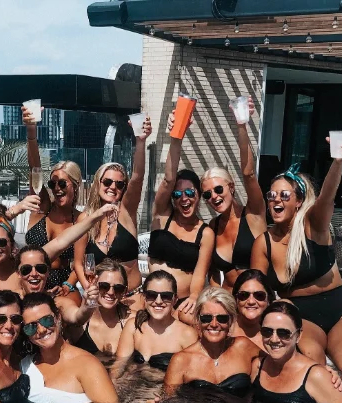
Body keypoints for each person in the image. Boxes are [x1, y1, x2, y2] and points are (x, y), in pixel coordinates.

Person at [250, 137, 342, 383]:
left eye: (285, 195)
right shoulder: (263, 242)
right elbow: (256, 290)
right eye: (272, 195)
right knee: (313, 370)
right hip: (300, 314)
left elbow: (327, 196)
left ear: (298, 202)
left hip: (340, 308)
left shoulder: (313, 226)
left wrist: (338, 163)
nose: (276, 200)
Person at [155, 287, 261, 403]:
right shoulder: (182, 360)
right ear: (197, 320)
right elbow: (169, 400)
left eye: (222, 318)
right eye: (206, 318)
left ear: (231, 321)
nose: (214, 324)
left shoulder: (244, 347)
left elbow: (274, 367)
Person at [0, 203, 117, 306]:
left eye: (1, 242)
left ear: (11, 243)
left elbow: (62, 241)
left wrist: (95, 216)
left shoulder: (24, 265)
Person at [251, 301, 342, 403]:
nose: (274, 339)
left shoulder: (315, 375)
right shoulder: (258, 366)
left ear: (298, 336)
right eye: (267, 331)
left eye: (283, 333)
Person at [148, 111, 214, 325]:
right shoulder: (162, 215)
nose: (183, 198)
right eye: (177, 194)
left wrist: (194, 297)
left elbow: (199, 274)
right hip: (151, 298)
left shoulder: (206, 233)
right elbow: (168, 179)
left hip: (183, 302)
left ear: (199, 196)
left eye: (190, 193)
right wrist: (176, 136)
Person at [73, 117, 152, 297]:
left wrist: (141, 142)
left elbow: (138, 176)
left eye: (119, 184)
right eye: (107, 181)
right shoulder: (86, 219)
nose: (113, 187)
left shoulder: (126, 212)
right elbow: (78, 263)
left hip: (131, 297)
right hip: (100, 300)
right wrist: (90, 292)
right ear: (98, 183)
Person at [204, 97, 267, 290]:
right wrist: (215, 296)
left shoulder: (254, 215)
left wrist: (242, 125)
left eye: (218, 189)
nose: (214, 196)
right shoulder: (213, 226)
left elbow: (248, 174)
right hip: (226, 304)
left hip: (254, 302)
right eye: (207, 195)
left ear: (231, 187)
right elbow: (213, 271)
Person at [23, 105, 83, 293]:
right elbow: (35, 170)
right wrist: (31, 133)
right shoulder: (43, 207)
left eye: (63, 184)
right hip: (31, 283)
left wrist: (67, 285)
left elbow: (83, 260)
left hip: (63, 286)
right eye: (53, 184)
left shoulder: (81, 220)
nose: (57, 188)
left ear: (76, 185)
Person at [113, 270, 198, 379]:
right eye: (152, 295)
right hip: (133, 389)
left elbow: (192, 377)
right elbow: (118, 366)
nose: (158, 301)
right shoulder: (133, 326)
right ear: (144, 297)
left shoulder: (187, 335)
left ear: (175, 299)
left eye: (166, 296)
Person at [68, 259, 133, 363]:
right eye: (104, 286)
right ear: (93, 284)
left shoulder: (131, 322)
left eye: (118, 288)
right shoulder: (78, 325)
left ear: (124, 292)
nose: (111, 292)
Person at [230, 269, 276, 350]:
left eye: (259, 295)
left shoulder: (278, 336)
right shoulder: (223, 331)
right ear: (235, 299)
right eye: (243, 295)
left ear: (269, 299)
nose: (251, 301)